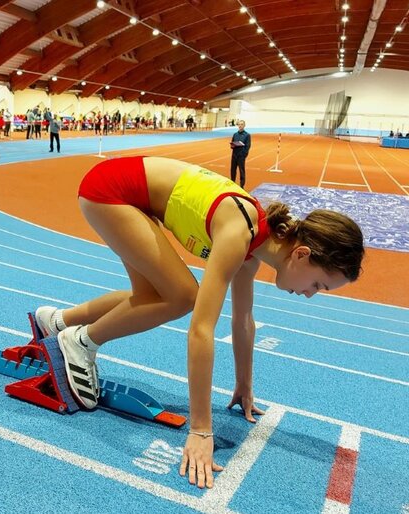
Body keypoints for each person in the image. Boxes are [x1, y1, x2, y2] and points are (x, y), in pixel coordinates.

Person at [33, 156, 364, 488]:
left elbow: (244, 319)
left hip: (132, 197)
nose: (310, 295)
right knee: (182, 296)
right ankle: (80, 342)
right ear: (301, 254)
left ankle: (58, 322)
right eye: (318, 285)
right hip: (111, 190)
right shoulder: (239, 233)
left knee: (154, 296)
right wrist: (201, 430)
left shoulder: (254, 247)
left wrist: (244, 385)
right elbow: (201, 331)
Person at [229, 120, 251, 188]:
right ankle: (232, 183)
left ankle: (242, 185)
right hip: (234, 154)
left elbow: (248, 146)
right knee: (233, 170)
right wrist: (232, 145)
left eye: (242, 124)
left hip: (241, 156)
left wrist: (244, 154)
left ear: (244, 125)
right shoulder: (235, 134)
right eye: (239, 124)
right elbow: (232, 143)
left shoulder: (247, 135)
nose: (240, 126)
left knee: (241, 171)